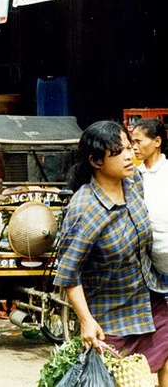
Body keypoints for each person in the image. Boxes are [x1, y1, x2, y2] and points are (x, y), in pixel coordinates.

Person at [53, 120, 168, 385]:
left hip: (148, 302)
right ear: (96, 161)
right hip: (110, 319)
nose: (130, 155)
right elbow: (69, 273)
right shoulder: (84, 209)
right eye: (119, 151)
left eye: (130, 147)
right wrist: (86, 321)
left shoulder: (133, 182)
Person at [132, 119, 168, 274]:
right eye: (132, 142)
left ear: (157, 141)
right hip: (144, 262)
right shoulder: (133, 174)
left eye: (138, 141)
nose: (134, 147)